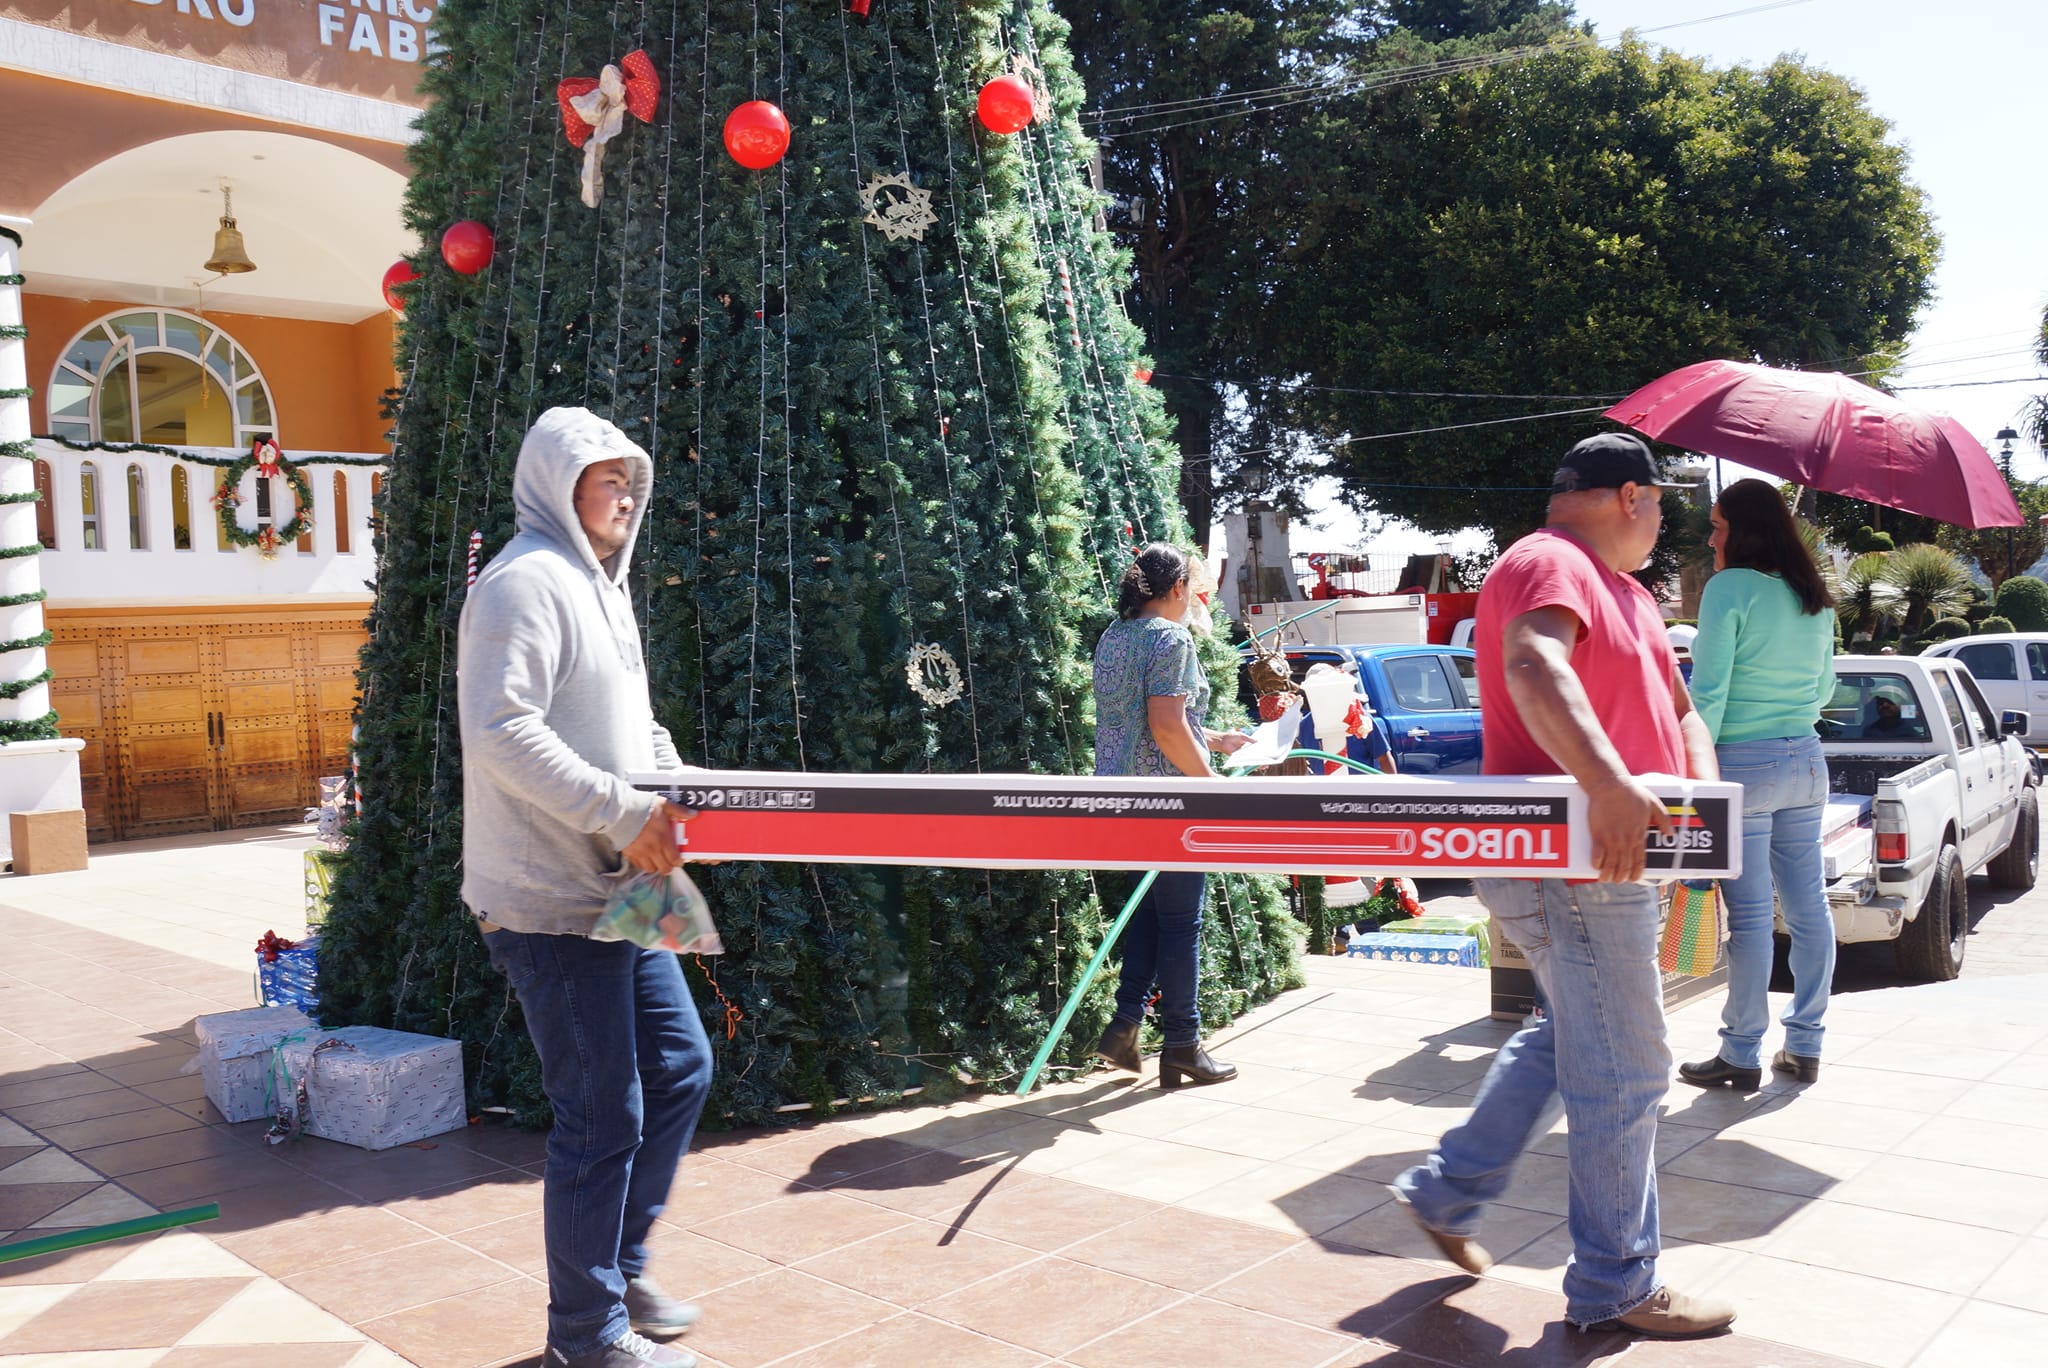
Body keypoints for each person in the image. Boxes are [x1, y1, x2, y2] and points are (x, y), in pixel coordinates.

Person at [1392, 432, 1735, 1340]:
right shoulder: (1551, 559)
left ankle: (1445, 1189)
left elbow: (1683, 711)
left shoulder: (1628, 594)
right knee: (1627, 1067)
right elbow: (1536, 665)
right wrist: (1612, 783)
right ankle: (1616, 1285)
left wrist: (1691, 793)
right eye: (1660, 503)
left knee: (1565, 1041)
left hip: (1609, 864)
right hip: (1579, 868)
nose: (1665, 521)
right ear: (1629, 495)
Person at [459, 407, 711, 1368]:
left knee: (682, 1068)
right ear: (554, 482)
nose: (625, 491)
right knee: (602, 1114)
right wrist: (622, 812)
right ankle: (586, 1336)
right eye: (604, 476)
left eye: (630, 477)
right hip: (548, 898)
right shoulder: (522, 584)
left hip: (624, 890)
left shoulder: (605, 588)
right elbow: (502, 731)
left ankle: (618, 1264)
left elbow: (632, 729)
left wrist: (678, 796)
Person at [1680, 479, 1838, 1092]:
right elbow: (1824, 691)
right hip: (1807, 760)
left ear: (1743, 531)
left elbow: (1710, 688)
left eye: (1718, 527)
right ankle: (1805, 1046)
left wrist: (1695, 767)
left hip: (1741, 765)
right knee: (1809, 910)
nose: (1713, 538)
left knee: (1748, 919)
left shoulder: (1729, 588)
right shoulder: (1814, 595)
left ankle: (1742, 1053)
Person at [1092, 542, 1250, 1087]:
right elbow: (1163, 726)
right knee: (1182, 922)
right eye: (1194, 587)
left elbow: (1145, 724)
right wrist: (1210, 785)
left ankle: (1125, 1023)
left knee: (1151, 915)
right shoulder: (1170, 637)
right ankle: (1182, 1043)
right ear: (1177, 587)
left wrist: (1215, 739)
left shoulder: (1114, 636)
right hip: (1170, 803)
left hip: (1122, 801)